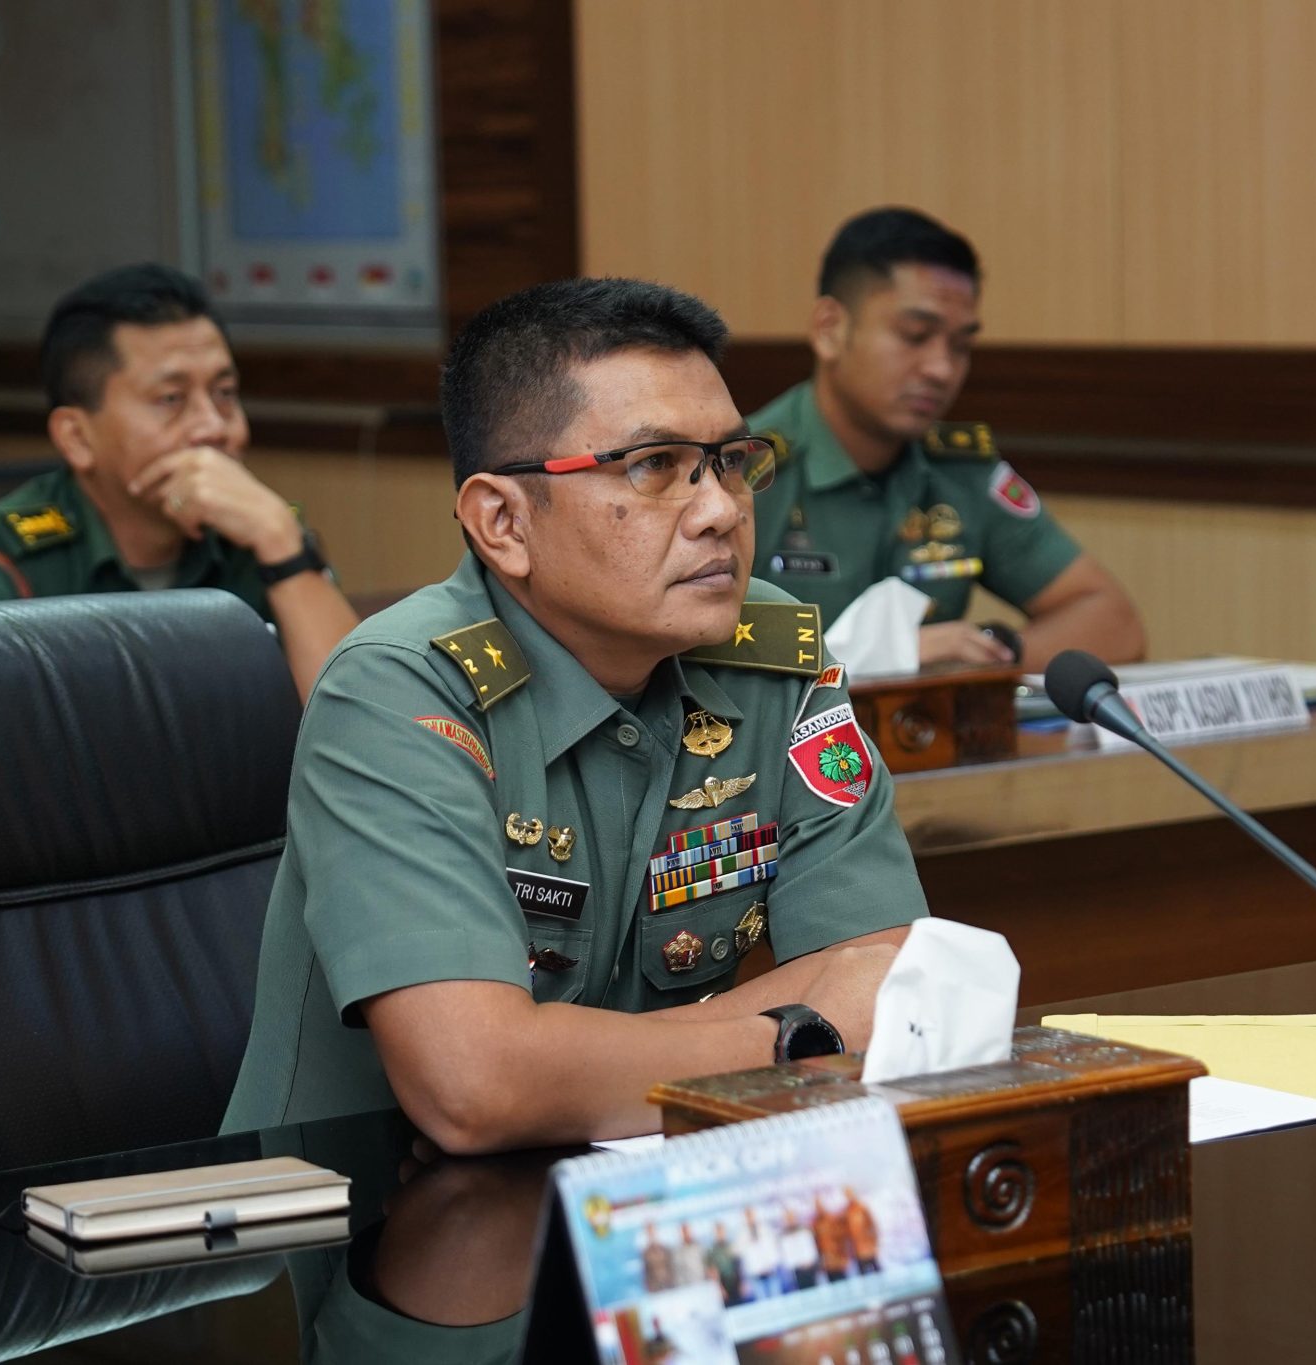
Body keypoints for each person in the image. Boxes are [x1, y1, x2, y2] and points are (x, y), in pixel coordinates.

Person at [223, 277, 921, 1153]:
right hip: (369, 1212)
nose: (720, 511)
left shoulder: (772, 658)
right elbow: (476, 1086)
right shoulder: (398, 691)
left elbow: (893, 981)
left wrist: (563, 1064)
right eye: (654, 465)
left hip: (645, 1193)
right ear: (503, 522)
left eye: (730, 461)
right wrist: (793, 1036)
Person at [0, 262, 358, 698]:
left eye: (224, 393)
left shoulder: (262, 532)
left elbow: (355, 714)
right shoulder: (2, 559)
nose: (213, 426)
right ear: (77, 438)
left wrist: (282, 545)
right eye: (171, 398)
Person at [749, 208, 1144, 671]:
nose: (941, 369)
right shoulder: (742, 470)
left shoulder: (959, 471)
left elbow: (1116, 626)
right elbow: (692, 651)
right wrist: (891, 656)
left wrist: (992, 650)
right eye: (915, 335)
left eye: (960, 345)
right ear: (830, 329)